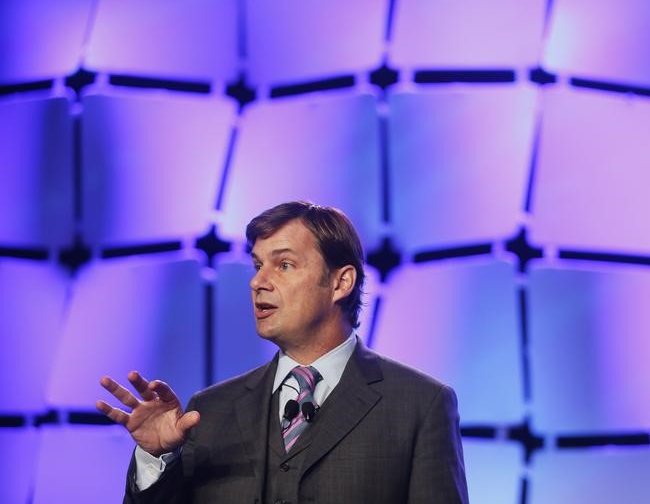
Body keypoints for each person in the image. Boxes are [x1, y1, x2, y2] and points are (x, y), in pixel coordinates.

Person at [97, 201, 469, 504]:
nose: (258, 281)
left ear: (341, 282)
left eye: (284, 265)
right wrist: (155, 460)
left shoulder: (420, 406)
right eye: (258, 266)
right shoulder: (208, 412)